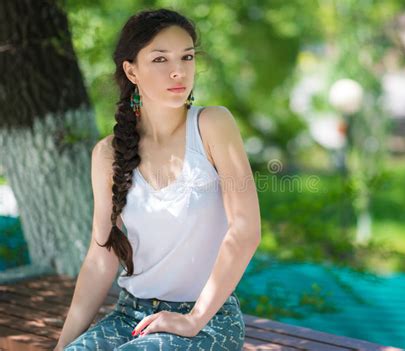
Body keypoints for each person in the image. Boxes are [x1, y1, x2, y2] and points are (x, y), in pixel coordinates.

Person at [54, 7, 261, 350]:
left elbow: (246, 230)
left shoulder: (212, 125)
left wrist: (194, 319)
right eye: (160, 59)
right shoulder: (108, 154)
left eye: (187, 57)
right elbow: (101, 255)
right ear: (131, 71)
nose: (178, 71)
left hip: (207, 320)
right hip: (130, 316)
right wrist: (63, 345)